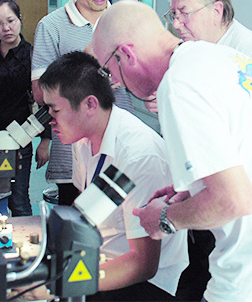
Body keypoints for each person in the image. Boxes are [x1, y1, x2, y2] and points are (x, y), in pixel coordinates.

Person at [92, 0, 252, 302]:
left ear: (126, 54)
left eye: (110, 72)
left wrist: (165, 218)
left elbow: (232, 200)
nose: (116, 84)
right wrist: (195, 188)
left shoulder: (179, 85)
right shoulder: (220, 55)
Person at [161, 0, 252, 300]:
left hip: (248, 202)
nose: (177, 24)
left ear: (217, 10)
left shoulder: (250, 52)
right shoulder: (203, 51)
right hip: (218, 188)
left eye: (184, 13)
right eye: (173, 15)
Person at [38, 51, 188, 301]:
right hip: (101, 256)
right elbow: (88, 208)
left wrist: (58, 284)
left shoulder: (138, 156)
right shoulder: (82, 139)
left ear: (89, 105)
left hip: (145, 284)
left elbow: (143, 265)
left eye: (55, 110)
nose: (50, 121)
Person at [31, 0, 133, 206]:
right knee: (77, 223)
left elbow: (145, 78)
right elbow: (40, 93)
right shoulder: (51, 26)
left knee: (120, 222)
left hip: (121, 144)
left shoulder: (126, 19)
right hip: (73, 151)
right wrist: (85, 67)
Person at [0, 0, 33, 217]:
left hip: (20, 136)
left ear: (19, 19)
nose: (6, 28)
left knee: (18, 199)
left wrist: (45, 141)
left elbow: (44, 99)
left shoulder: (32, 54)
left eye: (10, 21)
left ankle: (29, 237)